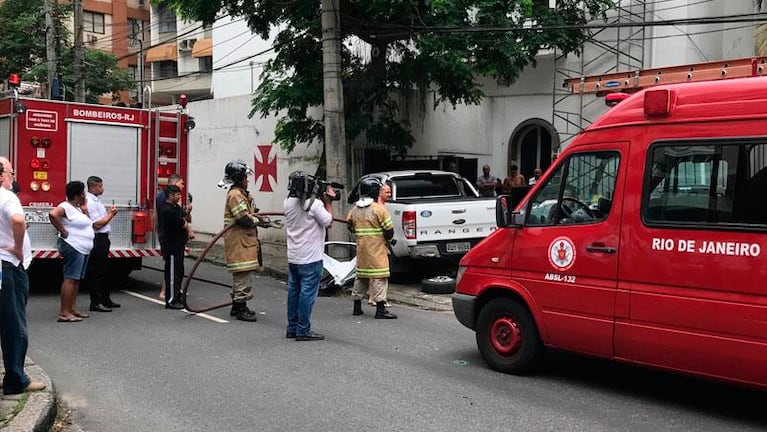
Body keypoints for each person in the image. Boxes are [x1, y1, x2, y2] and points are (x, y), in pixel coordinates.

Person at [0, 157, 45, 394]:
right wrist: (18, 248)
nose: (13, 177)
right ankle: (16, 380)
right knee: (13, 324)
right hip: (7, 267)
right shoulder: (7, 197)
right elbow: (18, 220)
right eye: (11, 172)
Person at [283, 171, 334, 341]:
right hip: (311, 258)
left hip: (294, 256)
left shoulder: (288, 203)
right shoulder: (315, 205)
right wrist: (329, 202)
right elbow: (329, 222)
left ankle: (292, 327)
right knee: (307, 293)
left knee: (294, 292)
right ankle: (303, 330)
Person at [346, 177, 397, 319]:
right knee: (380, 277)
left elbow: (349, 224)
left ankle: (357, 307)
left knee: (361, 277)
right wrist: (388, 239)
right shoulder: (379, 209)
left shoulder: (355, 209)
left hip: (362, 250)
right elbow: (389, 230)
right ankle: (380, 310)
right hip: (377, 250)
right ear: (375, 192)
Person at [222, 161, 262, 322]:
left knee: (242, 273)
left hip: (242, 240)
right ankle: (240, 308)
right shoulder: (235, 195)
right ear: (239, 178)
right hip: (239, 240)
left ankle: (237, 305)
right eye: (245, 177)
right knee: (242, 273)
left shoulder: (241, 193)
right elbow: (243, 218)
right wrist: (259, 221)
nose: (248, 180)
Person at [49, 181, 94, 322]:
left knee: (76, 279)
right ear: (77, 195)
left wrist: (85, 210)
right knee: (70, 278)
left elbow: (88, 223)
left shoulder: (78, 209)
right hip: (73, 246)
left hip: (82, 248)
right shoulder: (65, 206)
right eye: (83, 193)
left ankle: (72, 309)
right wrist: (62, 231)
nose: (85, 195)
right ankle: (64, 312)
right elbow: (53, 214)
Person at [83, 176, 119, 312]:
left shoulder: (97, 201)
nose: (102, 189)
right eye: (100, 186)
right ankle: (96, 302)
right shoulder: (90, 202)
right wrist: (111, 214)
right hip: (97, 238)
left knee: (104, 270)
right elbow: (97, 224)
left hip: (103, 238)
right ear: (92, 187)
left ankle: (105, 298)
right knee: (97, 271)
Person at [156, 174, 191, 301]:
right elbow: (179, 220)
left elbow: (185, 217)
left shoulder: (176, 204)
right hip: (171, 241)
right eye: (181, 184)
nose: (183, 187)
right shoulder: (166, 206)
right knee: (171, 269)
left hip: (178, 242)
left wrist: (187, 211)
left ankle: (175, 293)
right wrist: (188, 229)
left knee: (177, 269)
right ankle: (168, 295)